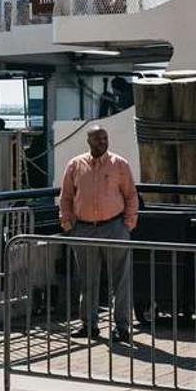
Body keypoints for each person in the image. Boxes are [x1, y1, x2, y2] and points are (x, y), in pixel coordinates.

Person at [58, 126, 139, 341]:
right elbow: (66, 196)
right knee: (87, 279)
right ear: (89, 141)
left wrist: (128, 224)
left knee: (120, 280)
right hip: (83, 228)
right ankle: (89, 324)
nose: (102, 142)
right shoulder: (75, 165)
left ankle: (121, 327)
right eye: (98, 139)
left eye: (105, 138)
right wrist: (67, 223)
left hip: (114, 226)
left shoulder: (119, 165)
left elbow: (131, 195)